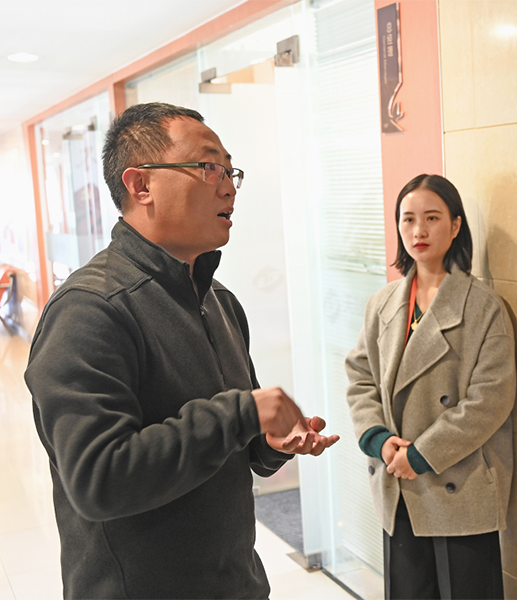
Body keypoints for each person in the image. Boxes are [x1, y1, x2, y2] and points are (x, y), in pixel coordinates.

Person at [25, 102, 339, 599]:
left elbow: (235, 445)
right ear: (140, 185)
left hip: (236, 583)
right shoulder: (91, 310)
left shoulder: (219, 301)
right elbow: (98, 479)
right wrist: (241, 413)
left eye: (230, 170)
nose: (228, 186)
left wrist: (270, 442)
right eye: (208, 167)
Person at [346, 174, 516, 599]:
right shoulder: (383, 303)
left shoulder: (483, 306)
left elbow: (491, 398)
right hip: (397, 484)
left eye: (432, 218)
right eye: (408, 219)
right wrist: (378, 439)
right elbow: (360, 375)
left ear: (456, 225)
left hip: (459, 484)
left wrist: (422, 454)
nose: (418, 230)